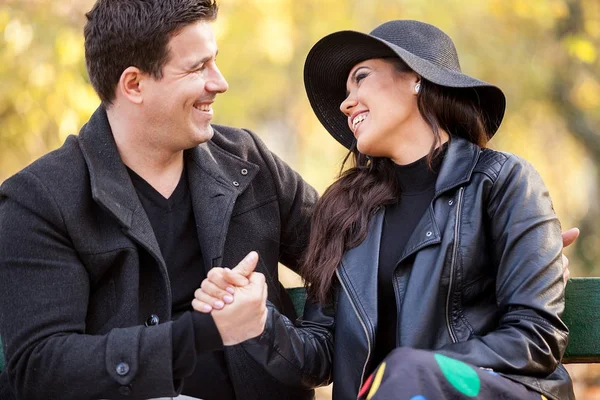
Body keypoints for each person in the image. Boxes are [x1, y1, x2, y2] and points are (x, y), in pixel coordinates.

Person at [195, 20, 576, 400]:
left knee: (403, 371)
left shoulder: (502, 181)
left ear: (417, 78)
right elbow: (322, 356)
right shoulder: (344, 212)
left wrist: (413, 373)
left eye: (360, 78)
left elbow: (536, 336)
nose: (345, 103)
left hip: (491, 393)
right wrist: (258, 321)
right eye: (346, 92)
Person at [0, 1, 317, 399]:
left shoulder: (248, 160)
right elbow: (41, 367)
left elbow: (346, 253)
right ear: (133, 84)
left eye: (214, 62)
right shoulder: (38, 200)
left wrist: (302, 343)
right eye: (198, 67)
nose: (219, 82)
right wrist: (204, 333)